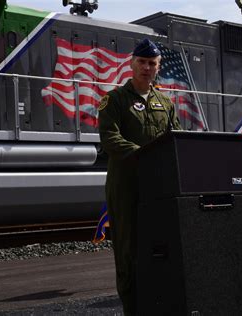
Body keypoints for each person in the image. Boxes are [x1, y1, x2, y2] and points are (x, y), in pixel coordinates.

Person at [98, 38, 181, 315]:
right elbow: (110, 138)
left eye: (152, 63)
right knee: (128, 251)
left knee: (162, 247)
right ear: (132, 64)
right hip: (126, 186)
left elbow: (177, 140)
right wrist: (144, 156)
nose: (147, 67)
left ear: (158, 67)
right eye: (142, 62)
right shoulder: (114, 99)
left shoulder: (166, 102)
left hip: (159, 186)